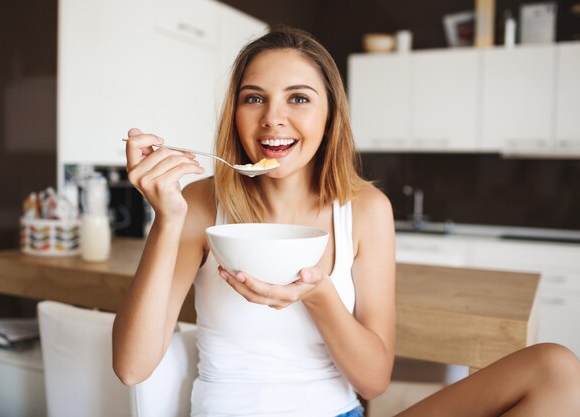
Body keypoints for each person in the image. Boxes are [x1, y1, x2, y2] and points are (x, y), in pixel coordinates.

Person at [112, 26, 580, 417]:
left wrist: (319, 296)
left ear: (330, 115)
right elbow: (131, 367)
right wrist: (166, 220)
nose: (273, 118)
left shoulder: (366, 210)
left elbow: (373, 382)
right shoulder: (197, 203)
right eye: (254, 98)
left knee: (555, 368)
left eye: (298, 98)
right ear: (235, 114)